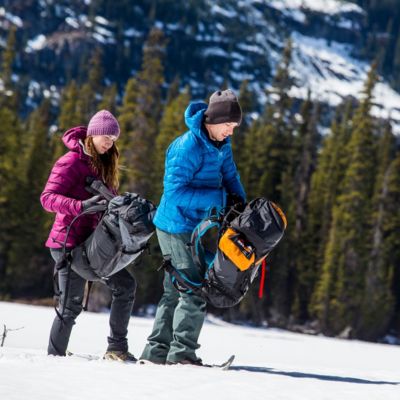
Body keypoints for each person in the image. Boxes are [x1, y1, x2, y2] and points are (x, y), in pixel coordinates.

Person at [140, 89, 246, 365]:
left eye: (234, 128)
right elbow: (175, 195)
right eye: (228, 126)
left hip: (193, 227)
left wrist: (239, 203)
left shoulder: (221, 145)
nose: (230, 132)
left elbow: (230, 176)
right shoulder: (186, 147)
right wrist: (220, 199)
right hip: (174, 226)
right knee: (193, 289)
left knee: (174, 291)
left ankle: (155, 354)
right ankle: (182, 355)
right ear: (215, 119)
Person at [40, 110, 137, 362]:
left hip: (92, 244)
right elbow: (47, 199)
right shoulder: (70, 162)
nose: (109, 142)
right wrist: (80, 207)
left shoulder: (103, 164)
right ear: (92, 135)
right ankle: (54, 358)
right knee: (70, 306)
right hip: (68, 242)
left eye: (113, 138)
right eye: (105, 136)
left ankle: (116, 349)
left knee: (125, 285)